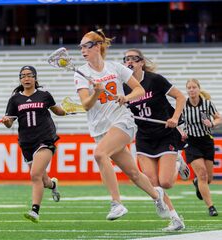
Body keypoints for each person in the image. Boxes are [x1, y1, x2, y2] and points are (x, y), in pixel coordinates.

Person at [74, 29, 167, 222]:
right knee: (133, 173)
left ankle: (117, 204)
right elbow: (85, 105)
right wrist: (96, 93)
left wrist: (126, 97)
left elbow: (139, 90)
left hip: (122, 121)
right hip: (100, 128)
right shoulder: (82, 74)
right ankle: (157, 196)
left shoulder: (115, 67)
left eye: (86, 46)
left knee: (100, 154)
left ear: (97, 47)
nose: (82, 50)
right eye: (80, 47)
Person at [122, 48, 187, 231]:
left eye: (134, 59)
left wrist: (175, 118)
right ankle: (175, 219)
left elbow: (180, 97)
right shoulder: (124, 87)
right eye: (126, 59)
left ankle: (177, 161)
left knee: (166, 182)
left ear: (141, 62)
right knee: (153, 185)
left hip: (165, 134)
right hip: (144, 137)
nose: (129, 62)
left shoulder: (155, 80)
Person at [2, 65, 66, 223]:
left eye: (29, 75)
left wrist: (69, 109)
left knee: (35, 175)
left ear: (35, 78)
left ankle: (35, 210)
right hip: (26, 142)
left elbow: (58, 111)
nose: (26, 78)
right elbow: (10, 123)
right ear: (20, 79)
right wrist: (6, 121)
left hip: (45, 139)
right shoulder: (15, 99)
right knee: (43, 181)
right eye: (23, 76)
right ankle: (53, 185)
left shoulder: (44, 95)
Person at [183, 78, 221, 217]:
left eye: (194, 87)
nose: (191, 90)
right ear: (187, 90)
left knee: (208, 178)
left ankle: (196, 182)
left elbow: (218, 118)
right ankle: (211, 207)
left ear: (199, 89)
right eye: (189, 88)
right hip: (191, 142)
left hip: (206, 141)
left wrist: (212, 124)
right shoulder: (182, 106)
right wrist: (181, 132)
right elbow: (177, 122)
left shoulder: (207, 104)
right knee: (203, 174)